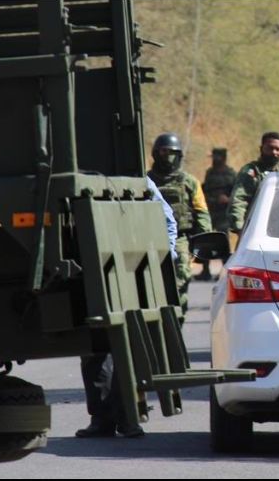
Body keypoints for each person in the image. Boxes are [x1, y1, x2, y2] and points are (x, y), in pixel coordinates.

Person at [76, 178, 179, 439]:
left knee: (129, 346)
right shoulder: (78, 180)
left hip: (130, 271)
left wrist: (160, 260)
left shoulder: (137, 179)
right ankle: (101, 418)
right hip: (90, 274)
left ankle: (129, 417)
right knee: (95, 349)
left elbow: (166, 220)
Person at [147, 132, 212, 314]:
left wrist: (204, 242)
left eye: (170, 152)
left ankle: (177, 317)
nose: (166, 156)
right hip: (149, 237)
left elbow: (201, 212)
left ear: (179, 155)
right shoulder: (146, 181)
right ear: (155, 153)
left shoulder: (189, 182)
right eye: (162, 151)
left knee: (180, 277)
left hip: (181, 238)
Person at [227, 132, 279, 236]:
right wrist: (240, 228)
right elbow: (239, 200)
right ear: (261, 148)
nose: (274, 152)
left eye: (278, 149)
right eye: (270, 148)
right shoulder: (252, 171)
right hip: (257, 230)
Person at [197, 148, 236, 281]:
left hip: (223, 213)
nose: (215, 159)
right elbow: (205, 188)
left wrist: (227, 199)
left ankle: (225, 272)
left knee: (222, 242)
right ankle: (205, 270)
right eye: (214, 157)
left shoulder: (230, 174)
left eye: (218, 157)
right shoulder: (210, 172)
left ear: (223, 158)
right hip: (210, 210)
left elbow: (237, 194)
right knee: (206, 240)